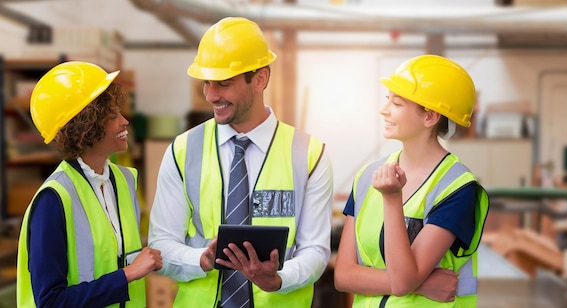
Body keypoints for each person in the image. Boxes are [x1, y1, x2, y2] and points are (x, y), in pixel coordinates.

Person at [148, 16, 334, 307]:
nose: (211, 95)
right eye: (207, 83)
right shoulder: (182, 150)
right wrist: (201, 259)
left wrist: (279, 278)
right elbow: (160, 246)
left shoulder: (309, 154)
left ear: (260, 79)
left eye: (223, 83)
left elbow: (315, 250)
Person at [334, 54, 489, 307]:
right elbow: (343, 276)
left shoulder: (458, 188)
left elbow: (404, 281)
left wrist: (393, 199)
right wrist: (424, 284)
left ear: (430, 117)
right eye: (388, 100)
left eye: (397, 103)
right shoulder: (366, 177)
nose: (384, 110)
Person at [16, 61, 163, 307]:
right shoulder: (54, 200)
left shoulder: (123, 181)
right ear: (85, 125)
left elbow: (115, 255)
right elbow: (51, 302)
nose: (125, 121)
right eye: (113, 116)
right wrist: (128, 275)